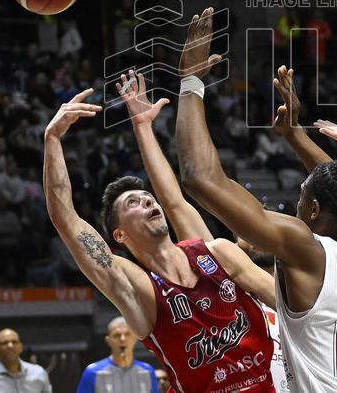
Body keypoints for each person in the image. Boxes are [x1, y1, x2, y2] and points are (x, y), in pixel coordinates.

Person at [176, 8, 337, 392]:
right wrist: (294, 135)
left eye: (301, 196)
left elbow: (200, 178)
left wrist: (190, 82)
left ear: (313, 209)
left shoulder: (306, 249)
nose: (295, 206)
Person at [42, 70, 276, 393]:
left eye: (148, 197)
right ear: (119, 235)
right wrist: (52, 140)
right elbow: (66, 219)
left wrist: (143, 126)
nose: (149, 202)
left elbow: (287, 303)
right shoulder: (140, 291)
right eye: (133, 204)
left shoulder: (214, 251)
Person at [76, 318, 157, 393]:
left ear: (135, 337)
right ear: (108, 340)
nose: (122, 339)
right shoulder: (92, 372)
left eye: (127, 334)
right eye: (117, 335)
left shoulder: (148, 372)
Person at [0, 329, 52, 393]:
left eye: (14, 342)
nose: (10, 346)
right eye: (4, 343)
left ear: (20, 347)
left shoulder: (39, 373)